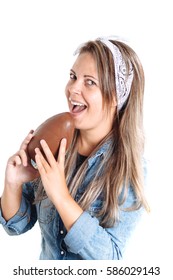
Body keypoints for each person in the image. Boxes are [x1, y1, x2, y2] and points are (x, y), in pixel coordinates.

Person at [0, 36, 149, 260]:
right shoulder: (55, 144)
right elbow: (17, 226)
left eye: (89, 82)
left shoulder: (128, 168)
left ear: (115, 97)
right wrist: (13, 183)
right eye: (73, 77)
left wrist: (60, 195)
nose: (72, 89)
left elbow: (111, 259)